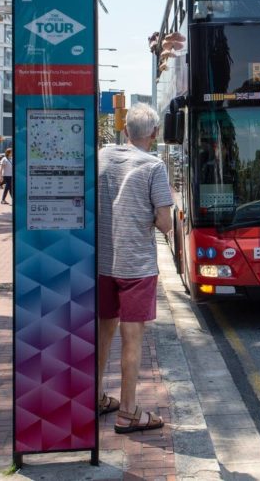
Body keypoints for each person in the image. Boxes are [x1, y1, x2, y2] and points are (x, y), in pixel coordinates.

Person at [97, 103, 173, 433]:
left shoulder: (102, 156)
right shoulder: (154, 166)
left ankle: (96, 396)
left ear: (126, 130)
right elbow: (166, 223)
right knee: (132, 338)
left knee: (103, 330)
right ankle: (128, 411)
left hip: (102, 261)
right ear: (154, 134)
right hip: (136, 266)